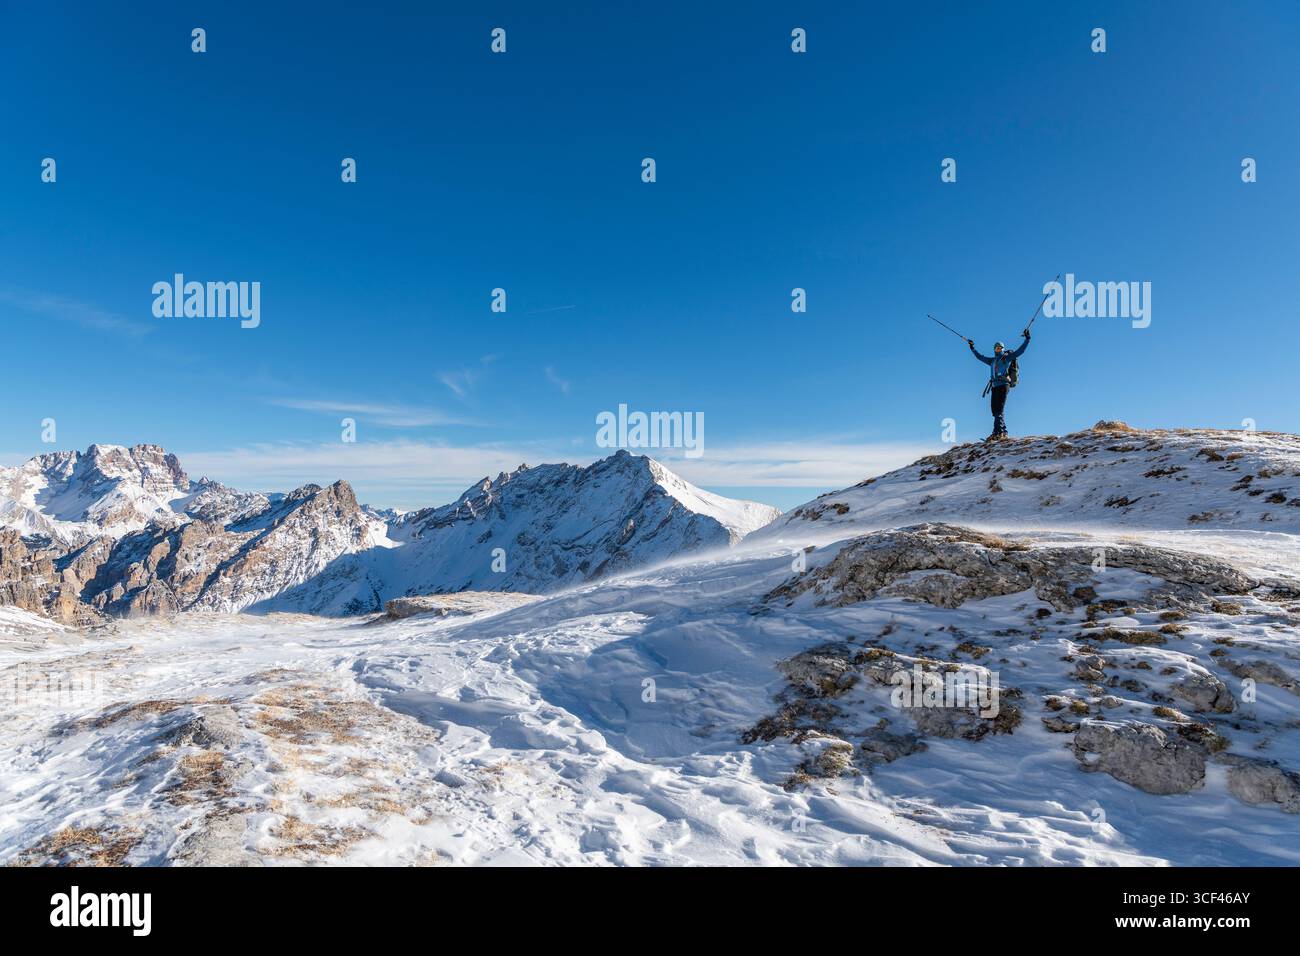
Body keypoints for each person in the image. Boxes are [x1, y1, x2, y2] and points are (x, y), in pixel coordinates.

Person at [968, 329, 1030, 440]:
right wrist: (973, 348)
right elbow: (980, 357)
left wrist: (1027, 339)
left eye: (1000, 348)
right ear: (994, 349)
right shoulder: (991, 361)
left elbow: (1020, 351)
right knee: (995, 411)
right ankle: (1002, 432)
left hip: (1003, 385)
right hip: (994, 387)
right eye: (997, 348)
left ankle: (998, 433)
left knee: (999, 410)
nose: (998, 349)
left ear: (1003, 349)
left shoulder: (1006, 359)